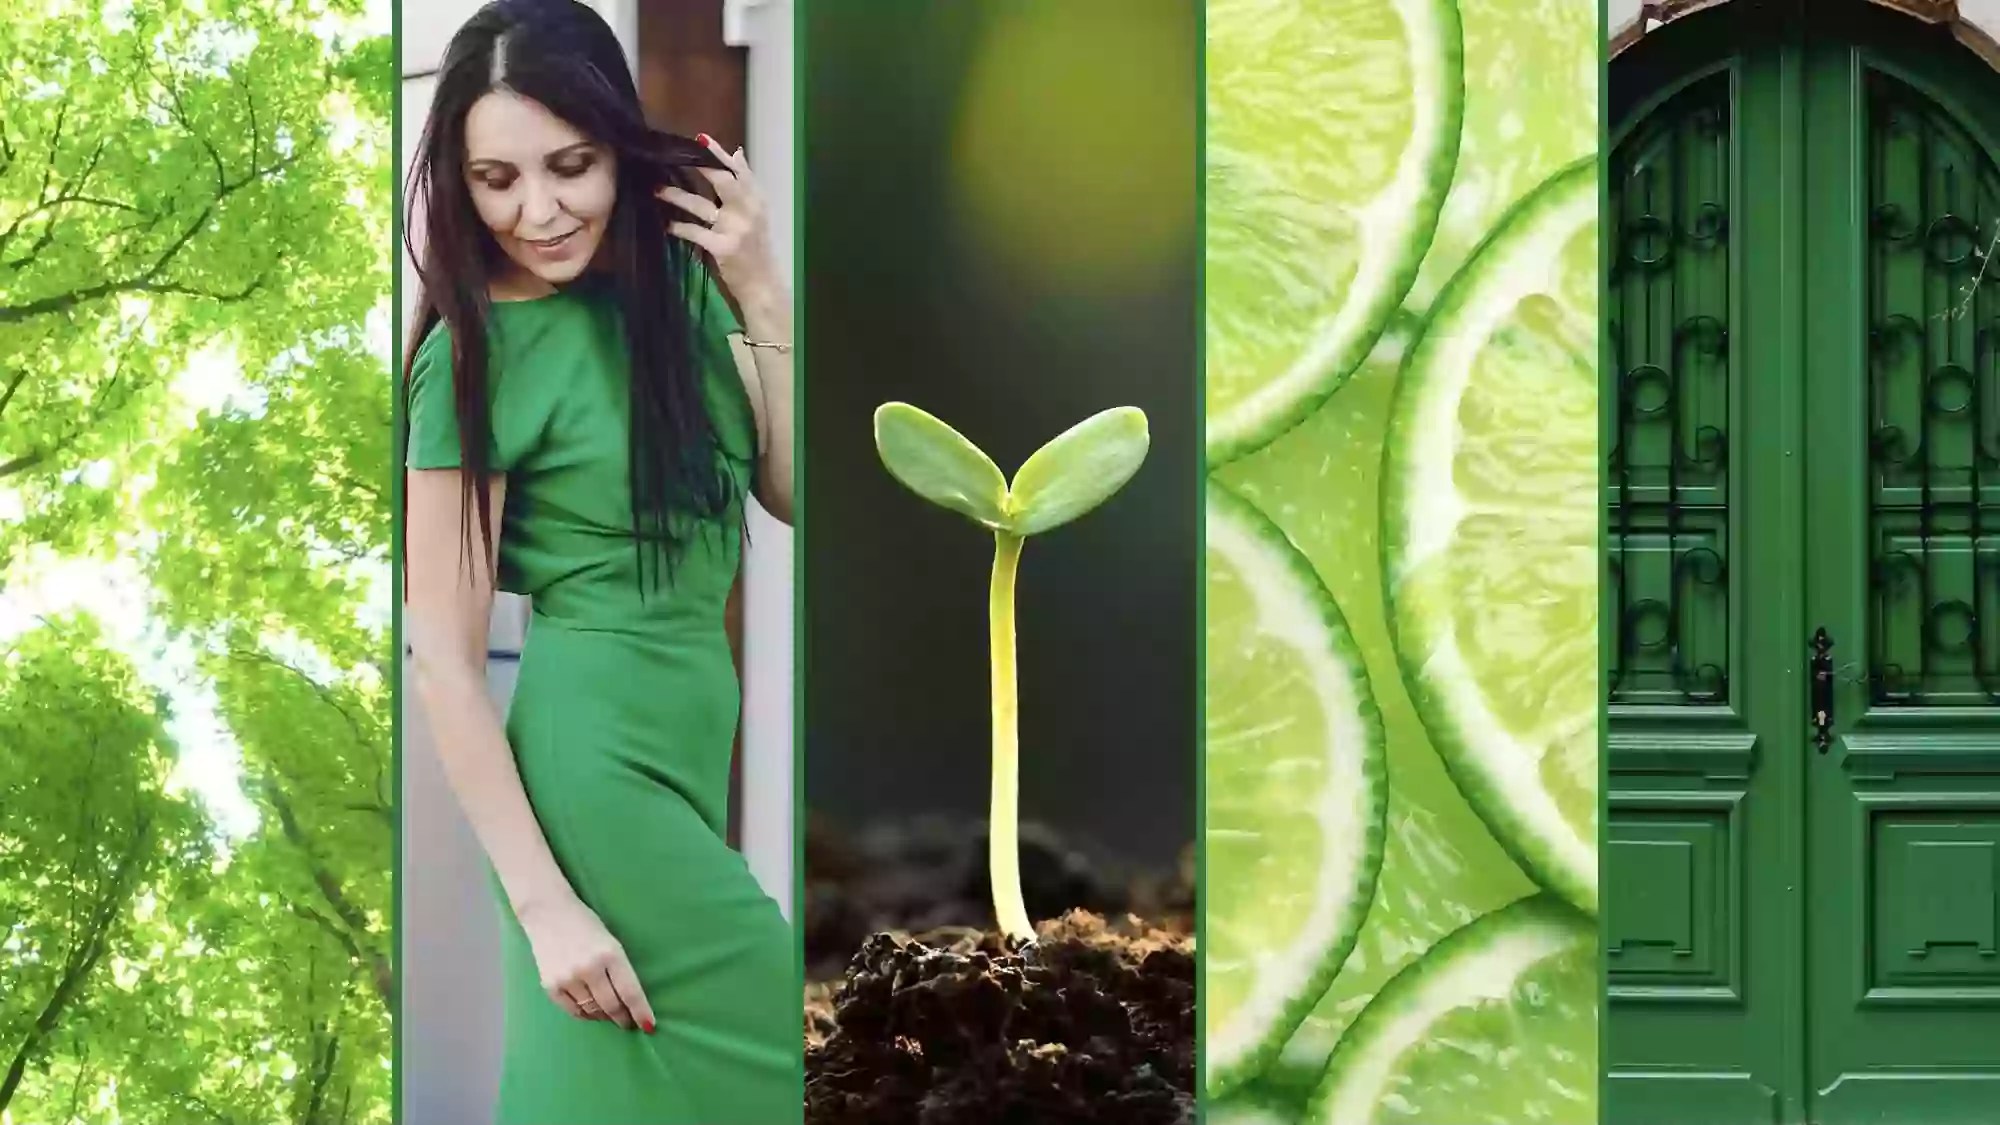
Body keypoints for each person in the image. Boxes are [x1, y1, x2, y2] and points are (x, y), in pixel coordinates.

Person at [400, 1, 795, 1121]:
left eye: (569, 166)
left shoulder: (675, 291)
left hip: (681, 754)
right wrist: (544, 910)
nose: (538, 210)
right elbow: (446, 662)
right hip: (591, 778)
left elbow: (789, 493)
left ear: (616, 140)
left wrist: (760, 286)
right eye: (497, 180)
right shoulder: (472, 363)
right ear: (461, 185)